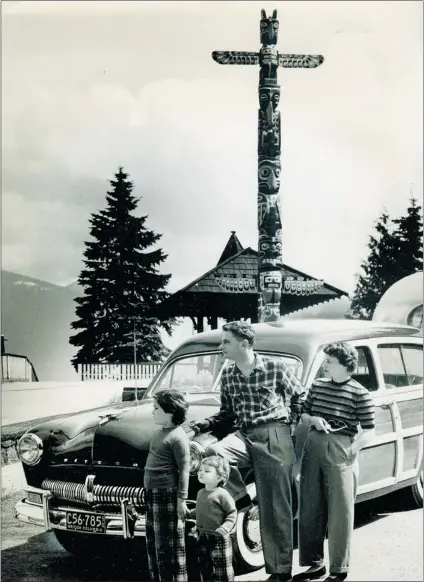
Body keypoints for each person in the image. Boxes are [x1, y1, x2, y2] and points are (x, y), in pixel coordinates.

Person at [190, 320, 306, 581]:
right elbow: (227, 414)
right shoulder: (229, 375)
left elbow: (300, 395)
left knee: (276, 507)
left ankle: (280, 571)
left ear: (245, 343)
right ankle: (241, 499)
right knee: (215, 453)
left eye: (226, 342)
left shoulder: (275, 368)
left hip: (275, 433)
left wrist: (293, 425)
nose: (222, 347)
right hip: (243, 435)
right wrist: (202, 424)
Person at [293, 342, 376, 582]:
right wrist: (314, 419)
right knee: (310, 505)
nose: (325, 365)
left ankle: (339, 568)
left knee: (340, 510)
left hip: (342, 448)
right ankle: (314, 563)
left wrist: (352, 450)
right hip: (314, 445)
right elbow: (303, 414)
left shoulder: (359, 393)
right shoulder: (317, 386)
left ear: (345, 365)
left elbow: (370, 430)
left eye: (329, 362)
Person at [144, 389, 190, 582]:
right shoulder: (157, 433)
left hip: (166, 495)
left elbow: (185, 469)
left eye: (156, 408)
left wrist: (181, 500)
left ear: (170, 411)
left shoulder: (178, 437)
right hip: (151, 494)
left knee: (167, 545)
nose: (152, 412)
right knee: (153, 541)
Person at [187, 454, 237, 582]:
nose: (201, 473)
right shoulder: (200, 493)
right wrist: (189, 513)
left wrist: (226, 527)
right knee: (205, 567)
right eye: (200, 471)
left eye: (207, 471)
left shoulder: (222, 494)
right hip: (202, 535)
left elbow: (232, 513)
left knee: (222, 569)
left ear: (220, 476)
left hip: (218, 536)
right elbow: (200, 509)